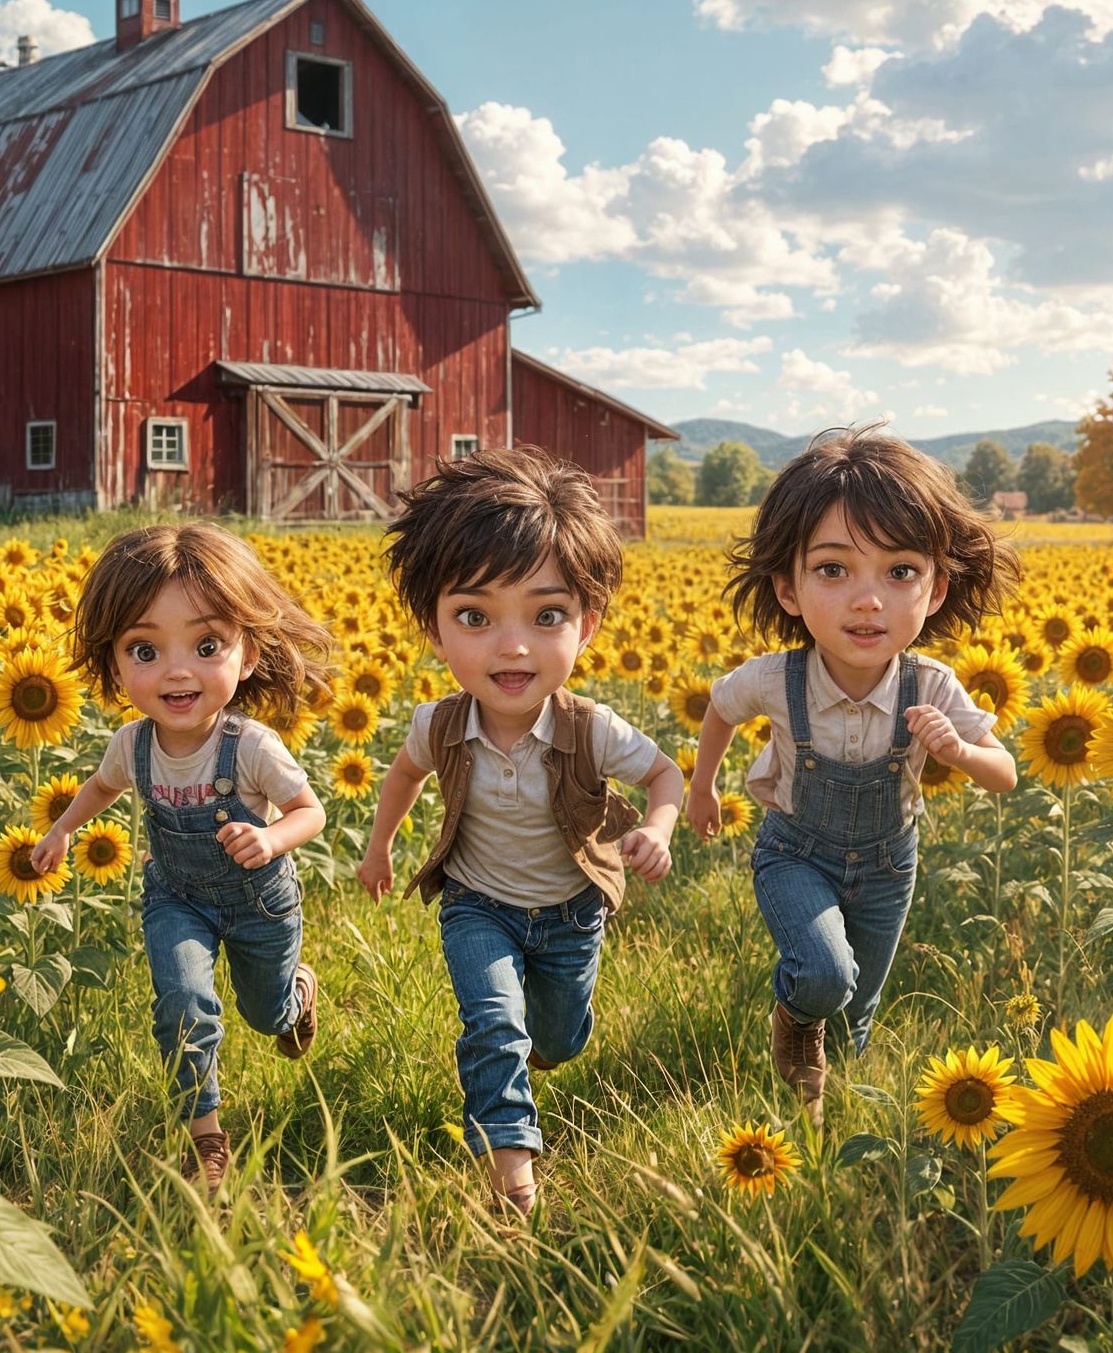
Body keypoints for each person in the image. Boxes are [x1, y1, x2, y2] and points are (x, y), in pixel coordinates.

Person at [356, 447, 684, 1220]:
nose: (513, 647)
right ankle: (512, 1175)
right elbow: (402, 777)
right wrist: (379, 849)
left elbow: (665, 776)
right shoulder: (437, 725)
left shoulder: (592, 728)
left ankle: (541, 1050)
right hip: (478, 905)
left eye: (546, 616)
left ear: (587, 624)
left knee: (559, 1039)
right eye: (475, 617)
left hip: (572, 911)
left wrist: (661, 828)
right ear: (434, 629)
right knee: (493, 1026)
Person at [687, 424, 1020, 1127]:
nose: (868, 600)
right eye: (834, 570)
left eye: (899, 571)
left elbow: (1005, 774)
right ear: (788, 587)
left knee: (858, 1006)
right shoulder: (778, 679)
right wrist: (702, 785)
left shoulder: (930, 684)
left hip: (888, 865)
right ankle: (793, 1017)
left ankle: (820, 1115)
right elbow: (719, 710)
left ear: (935, 590)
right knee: (825, 974)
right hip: (793, 851)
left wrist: (957, 754)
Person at [29, 523, 331, 1197]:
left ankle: (297, 997)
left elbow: (312, 812)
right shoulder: (132, 744)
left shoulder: (250, 747)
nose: (176, 670)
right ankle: (207, 1139)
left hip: (259, 902)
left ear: (247, 655)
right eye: (145, 648)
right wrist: (62, 833)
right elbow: (101, 787)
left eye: (206, 645)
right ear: (114, 665)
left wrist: (272, 838)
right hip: (176, 898)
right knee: (183, 1005)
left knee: (265, 1015)